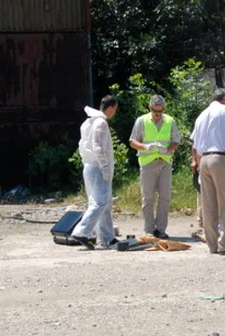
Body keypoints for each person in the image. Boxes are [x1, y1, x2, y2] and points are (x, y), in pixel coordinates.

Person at [191, 88, 225, 255]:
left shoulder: (202, 115)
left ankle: (212, 245)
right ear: (224, 100)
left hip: (204, 160)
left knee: (209, 204)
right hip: (221, 157)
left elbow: (194, 144)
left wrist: (197, 162)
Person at [71, 95, 120, 250]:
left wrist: (88, 161)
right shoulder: (101, 123)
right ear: (111, 108)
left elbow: (81, 145)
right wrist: (104, 166)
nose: (115, 113)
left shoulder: (88, 122)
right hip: (98, 167)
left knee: (102, 203)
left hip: (89, 165)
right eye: (115, 110)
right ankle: (82, 231)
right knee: (101, 202)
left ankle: (108, 238)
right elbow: (97, 146)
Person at [129, 95, 181, 238]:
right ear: (150, 107)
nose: (157, 113)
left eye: (160, 110)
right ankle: (149, 230)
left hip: (165, 161)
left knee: (165, 197)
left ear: (164, 108)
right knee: (148, 197)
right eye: (154, 110)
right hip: (147, 162)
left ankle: (161, 229)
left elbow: (176, 141)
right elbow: (132, 141)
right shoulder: (142, 120)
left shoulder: (170, 121)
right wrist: (145, 146)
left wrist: (168, 149)